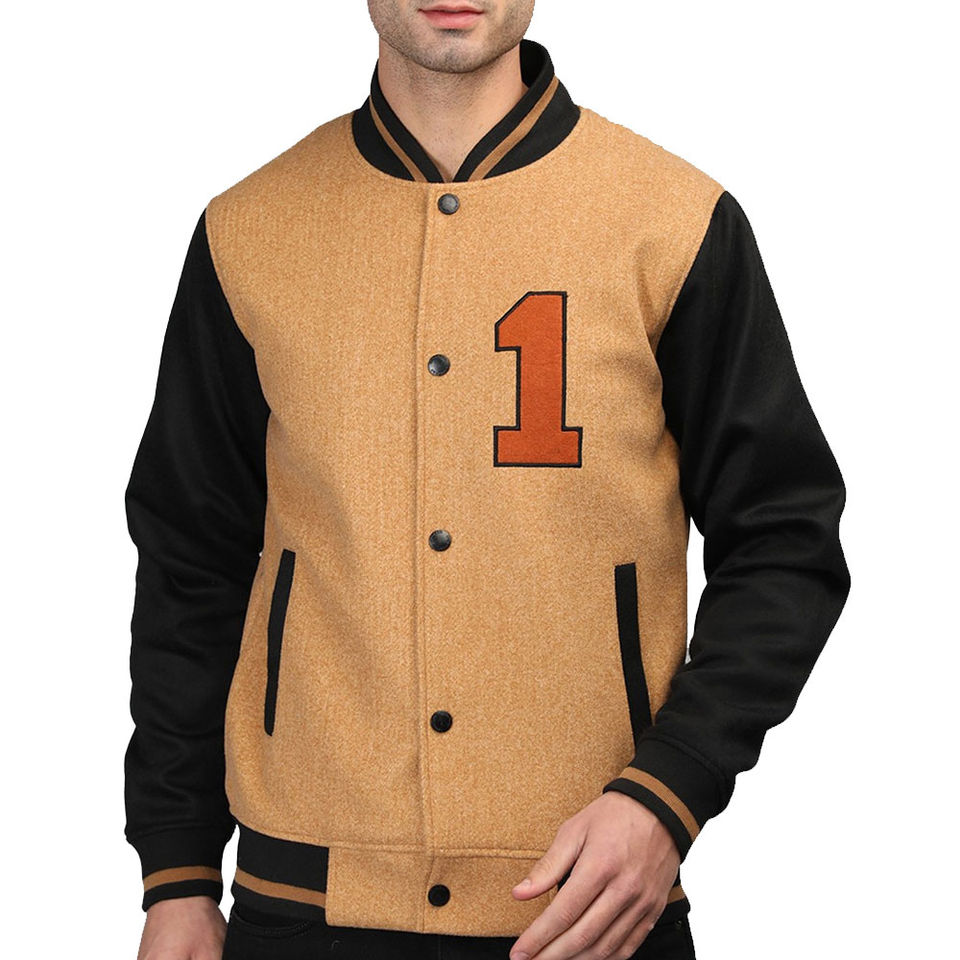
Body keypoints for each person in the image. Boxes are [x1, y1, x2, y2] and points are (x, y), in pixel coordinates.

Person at [123, 2, 851, 959]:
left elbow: (786, 540)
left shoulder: (673, 221)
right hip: (304, 905)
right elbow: (190, 562)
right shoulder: (250, 230)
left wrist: (668, 793)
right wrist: (176, 872)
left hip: (588, 905)